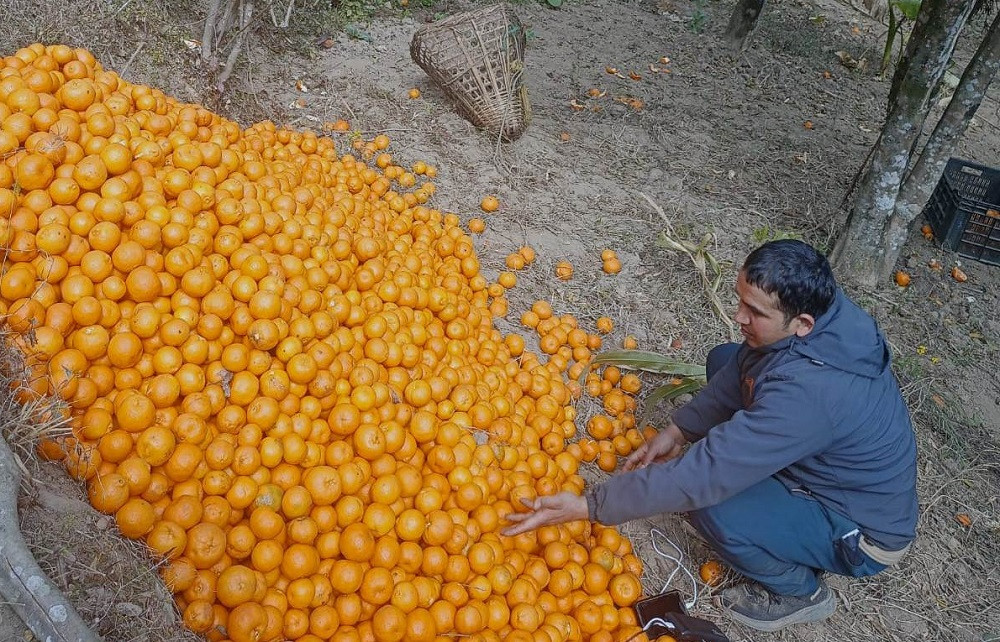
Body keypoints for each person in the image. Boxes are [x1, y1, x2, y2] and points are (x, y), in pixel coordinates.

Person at [503, 239, 918, 632]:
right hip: (822, 457)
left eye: (753, 311)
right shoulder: (826, 315)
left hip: (857, 530)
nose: (738, 316)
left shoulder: (810, 394)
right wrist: (679, 428)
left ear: (802, 323)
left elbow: (702, 477)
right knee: (726, 358)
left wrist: (590, 504)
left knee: (712, 505)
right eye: (740, 301)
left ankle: (801, 591)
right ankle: (777, 492)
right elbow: (744, 368)